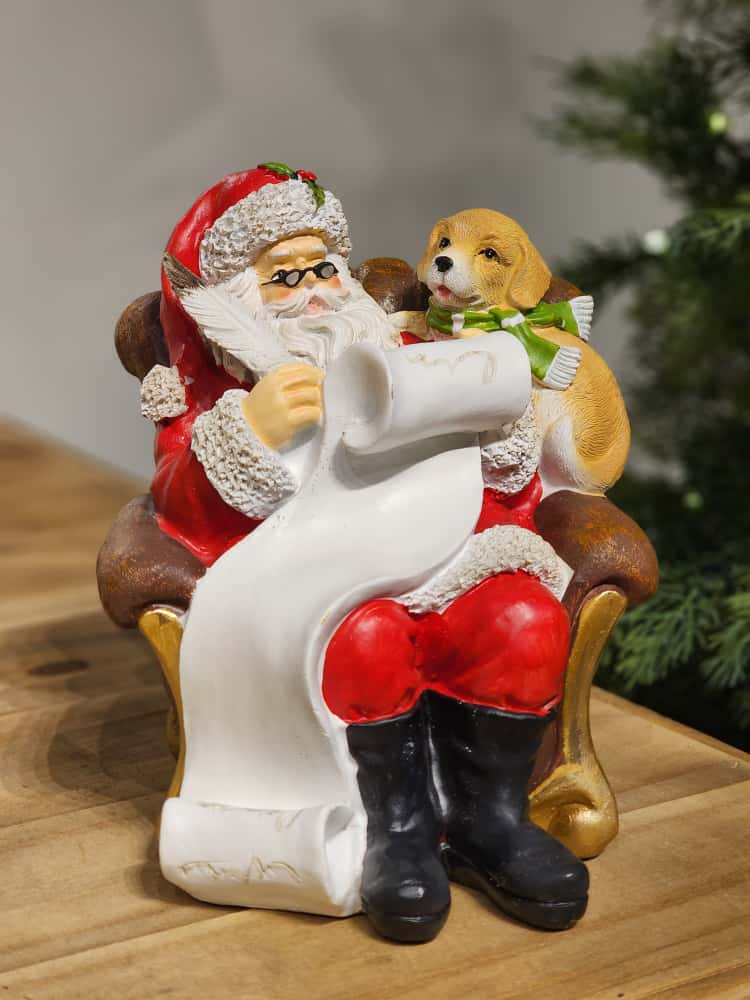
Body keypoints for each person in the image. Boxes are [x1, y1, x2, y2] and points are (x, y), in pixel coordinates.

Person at [147, 163, 588, 942]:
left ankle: (488, 819)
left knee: (522, 619)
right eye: (285, 277)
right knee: (368, 639)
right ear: (235, 300)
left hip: (448, 557)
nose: (315, 291)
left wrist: (488, 410)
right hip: (317, 582)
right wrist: (255, 429)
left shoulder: (406, 345)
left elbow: (503, 478)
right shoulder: (221, 395)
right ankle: (401, 827)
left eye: (324, 268)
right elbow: (179, 504)